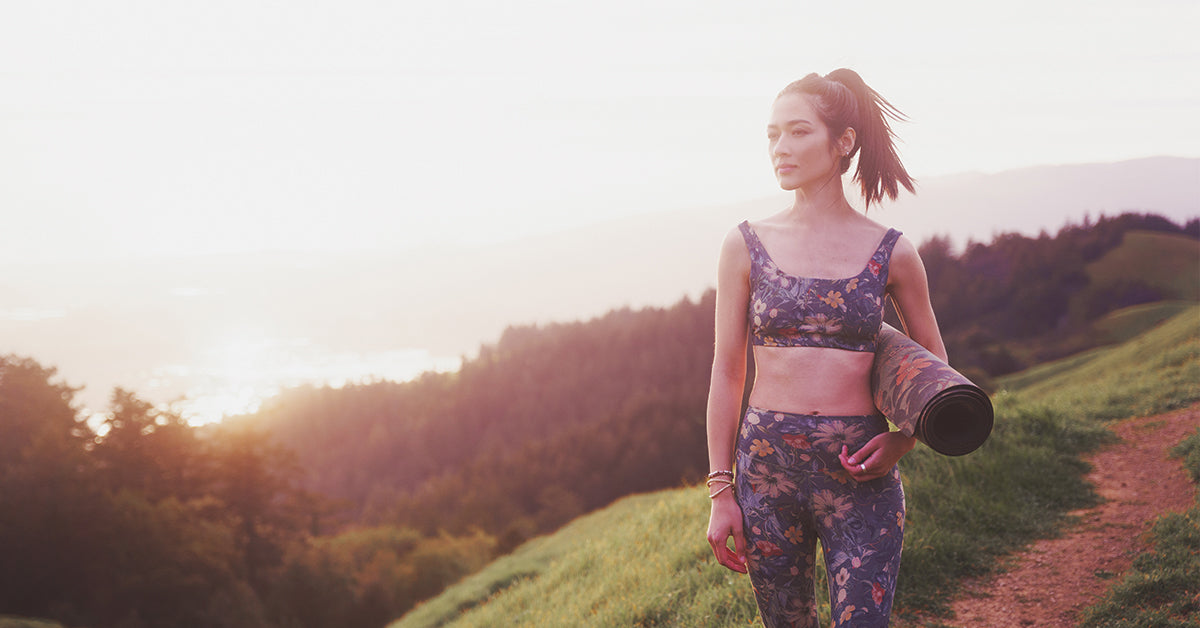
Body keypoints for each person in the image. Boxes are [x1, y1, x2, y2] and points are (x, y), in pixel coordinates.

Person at [704, 69, 947, 628]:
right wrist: (721, 490)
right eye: (772, 134)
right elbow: (726, 372)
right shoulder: (744, 245)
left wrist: (903, 440)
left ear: (843, 142)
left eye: (798, 131)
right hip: (766, 471)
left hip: (861, 472)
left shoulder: (893, 252)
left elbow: (935, 369)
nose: (780, 148)